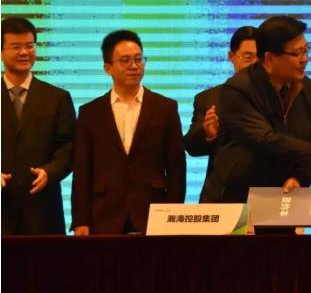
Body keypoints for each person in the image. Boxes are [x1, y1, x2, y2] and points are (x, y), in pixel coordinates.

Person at [200, 16, 311, 205]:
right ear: (270, 58)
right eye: (296, 53)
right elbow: (265, 139)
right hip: (233, 198)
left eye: (306, 50)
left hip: (281, 199)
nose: (304, 59)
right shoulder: (238, 89)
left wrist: (300, 177)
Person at [71, 30, 186, 235]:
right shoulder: (90, 112)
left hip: (152, 211)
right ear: (108, 68)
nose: (134, 66)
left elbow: (176, 168)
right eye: (125, 60)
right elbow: (82, 170)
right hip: (104, 213)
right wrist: (81, 220)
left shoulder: (165, 108)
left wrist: (174, 216)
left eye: (138, 59)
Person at [1, 17, 76, 235]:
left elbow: (69, 146)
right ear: (1, 52)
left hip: (43, 210)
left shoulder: (57, 98)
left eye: (30, 45)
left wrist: (49, 172)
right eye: (16, 47)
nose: (24, 52)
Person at [184, 26, 258, 180]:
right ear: (231, 56)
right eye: (248, 57)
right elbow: (191, 147)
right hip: (223, 189)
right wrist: (208, 134)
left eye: (259, 58)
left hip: (268, 190)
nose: (254, 64)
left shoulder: (280, 96)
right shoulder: (209, 98)